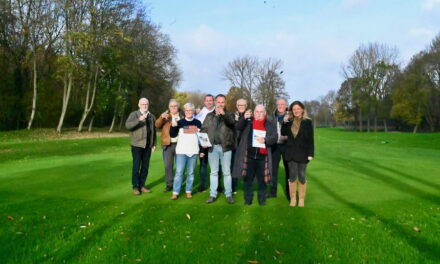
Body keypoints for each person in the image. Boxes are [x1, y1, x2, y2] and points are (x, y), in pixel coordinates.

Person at [233, 105, 277, 205]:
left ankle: (262, 200)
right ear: (254, 112)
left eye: (261, 112)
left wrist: (265, 140)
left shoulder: (269, 124)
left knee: (262, 181)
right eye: (257, 111)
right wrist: (243, 118)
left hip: (263, 157)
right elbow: (237, 127)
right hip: (249, 156)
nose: (259, 114)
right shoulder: (248, 122)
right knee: (248, 180)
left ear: (265, 113)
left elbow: (274, 137)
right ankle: (248, 200)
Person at [202, 94, 236, 204]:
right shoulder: (209, 116)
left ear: (225, 103)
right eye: (219, 102)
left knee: (226, 172)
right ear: (215, 102)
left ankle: (228, 195)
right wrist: (204, 142)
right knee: (214, 172)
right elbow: (203, 130)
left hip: (226, 148)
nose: (220, 104)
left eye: (222, 102)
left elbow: (232, 123)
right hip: (213, 148)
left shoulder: (230, 114)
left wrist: (223, 114)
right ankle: (213, 194)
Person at [281, 101, 314, 207]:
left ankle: (301, 199)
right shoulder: (289, 121)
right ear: (292, 111)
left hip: (303, 154)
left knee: (302, 176)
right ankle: (293, 199)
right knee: (292, 176)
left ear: (302, 109)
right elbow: (283, 133)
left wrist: (310, 153)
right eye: (294, 109)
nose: (296, 111)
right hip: (290, 153)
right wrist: (284, 122)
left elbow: (310, 140)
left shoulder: (308, 122)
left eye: (298, 108)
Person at [169, 103, 202, 200]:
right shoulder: (179, 122)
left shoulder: (198, 123)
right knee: (179, 172)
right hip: (181, 152)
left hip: (193, 151)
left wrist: (202, 150)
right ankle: (175, 192)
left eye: (190, 110)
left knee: (191, 173)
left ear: (193, 111)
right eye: (186, 110)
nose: (188, 112)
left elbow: (201, 137)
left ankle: (188, 191)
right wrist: (173, 126)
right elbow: (172, 135)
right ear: (184, 111)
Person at [125, 97, 157, 195]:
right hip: (137, 145)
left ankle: (142, 186)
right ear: (139, 105)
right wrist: (139, 120)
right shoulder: (134, 114)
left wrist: (154, 144)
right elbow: (128, 125)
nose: (144, 106)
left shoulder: (151, 116)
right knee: (136, 166)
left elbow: (154, 132)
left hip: (148, 146)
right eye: (142, 104)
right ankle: (135, 187)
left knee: (145, 167)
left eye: (146, 104)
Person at [155, 99, 183, 192]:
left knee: (180, 166)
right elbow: (157, 125)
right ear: (169, 107)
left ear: (178, 107)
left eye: (175, 106)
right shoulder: (166, 116)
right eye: (171, 106)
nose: (173, 108)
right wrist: (161, 117)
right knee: (168, 166)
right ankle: (169, 184)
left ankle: (178, 184)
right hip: (168, 144)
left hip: (180, 144)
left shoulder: (182, 116)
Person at [268, 98, 290, 199]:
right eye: (278, 104)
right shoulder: (272, 117)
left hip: (286, 146)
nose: (280, 106)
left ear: (286, 106)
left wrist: (287, 137)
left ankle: (290, 193)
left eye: (282, 104)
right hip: (275, 146)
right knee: (273, 170)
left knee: (288, 171)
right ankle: (273, 192)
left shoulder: (290, 117)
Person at [194, 94, 215, 192]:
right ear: (204, 102)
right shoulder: (200, 115)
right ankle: (202, 185)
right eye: (207, 100)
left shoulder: (217, 112)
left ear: (213, 101)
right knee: (203, 165)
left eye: (210, 100)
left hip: (215, 144)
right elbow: (196, 129)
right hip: (202, 145)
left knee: (216, 166)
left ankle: (217, 186)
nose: (209, 102)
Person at [231, 98, 248, 194]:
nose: (241, 107)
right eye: (239, 105)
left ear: (246, 106)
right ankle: (233, 187)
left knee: (246, 167)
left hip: (245, 146)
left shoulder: (250, 117)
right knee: (233, 167)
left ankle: (246, 187)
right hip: (234, 145)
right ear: (236, 106)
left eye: (243, 105)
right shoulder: (233, 116)